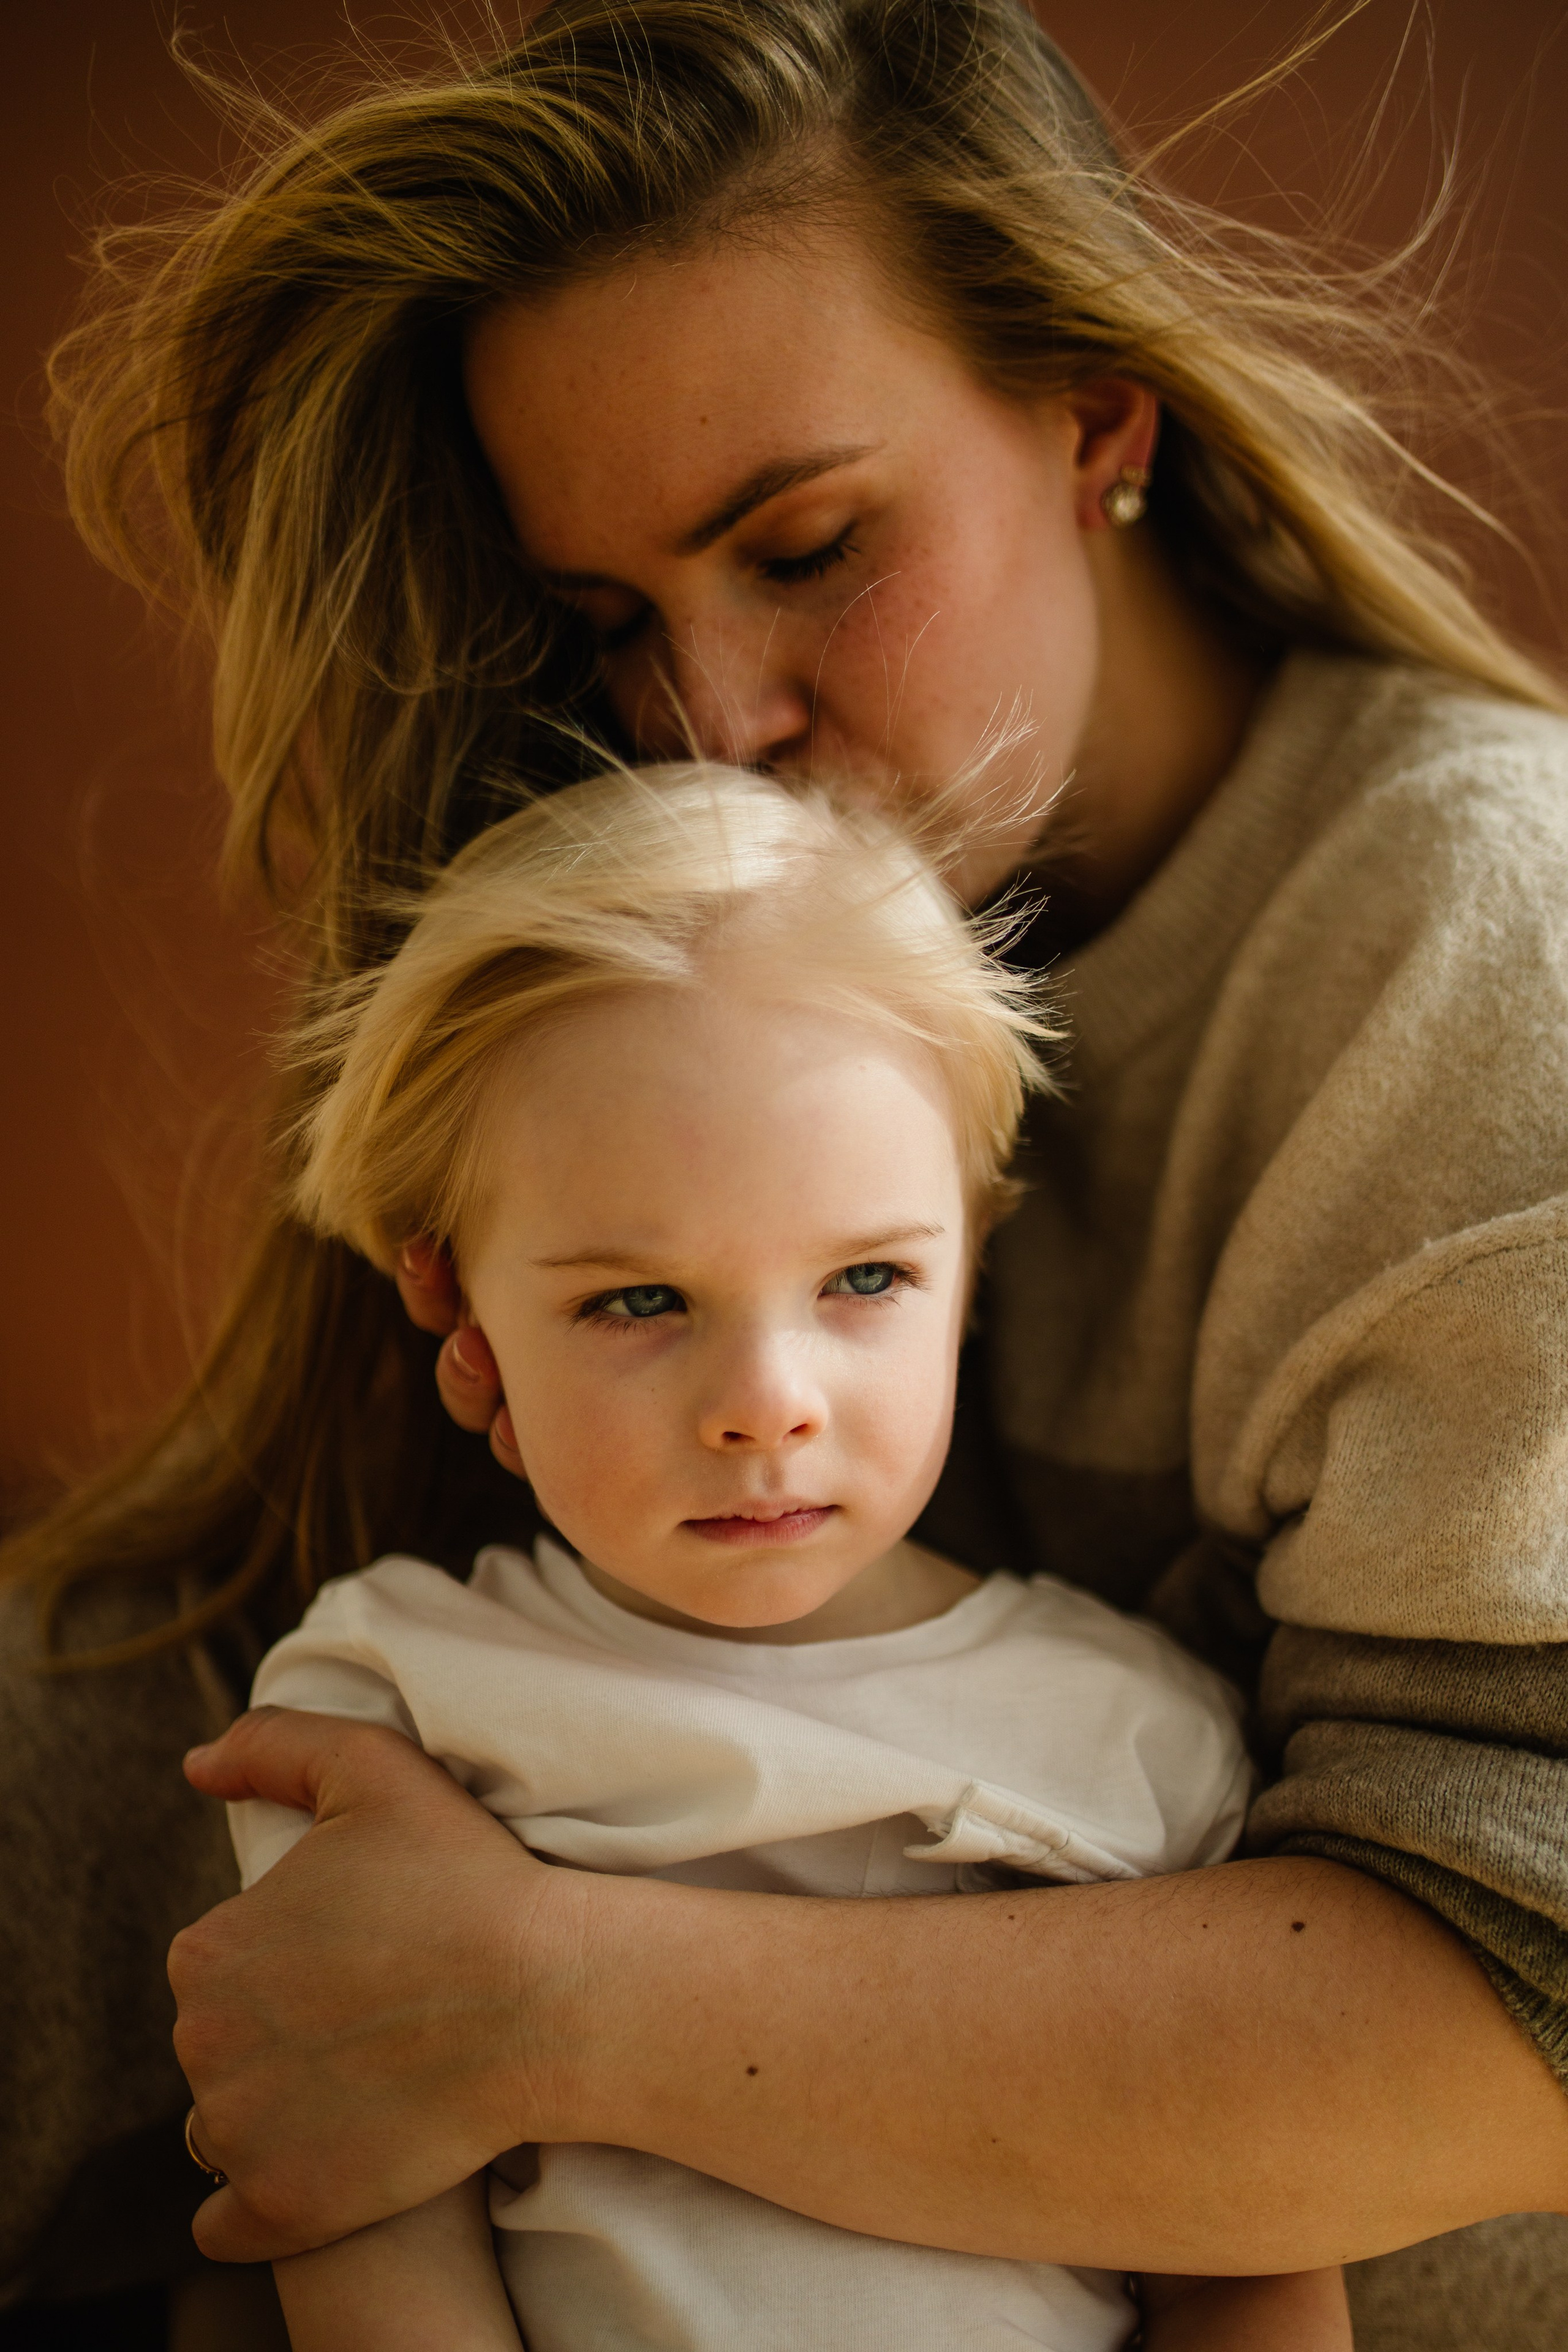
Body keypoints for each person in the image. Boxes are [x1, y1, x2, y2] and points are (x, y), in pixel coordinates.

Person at [7, 1, 1568, 2343]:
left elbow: (1516, 2003)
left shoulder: (1484, 952)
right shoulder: (634, 961)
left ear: (1093, 424)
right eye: (615, 618)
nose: (712, 716)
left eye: (812, 547)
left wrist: (533, 2007)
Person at [224, 761, 1346, 2350]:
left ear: (971, 1265)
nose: (766, 1408)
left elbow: (1256, 2245)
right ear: (458, 1312)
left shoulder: (1139, 1727)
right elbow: (362, 2223)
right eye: (638, 1302)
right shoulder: (387, 1702)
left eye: (867, 1279)